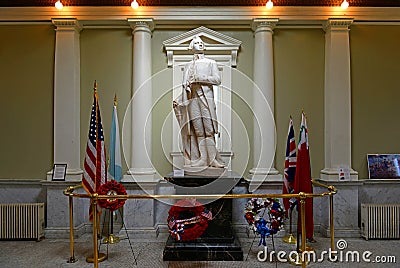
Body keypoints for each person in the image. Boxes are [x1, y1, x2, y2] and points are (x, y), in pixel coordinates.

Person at [173, 36, 225, 168]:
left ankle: (212, 159)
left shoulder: (210, 62)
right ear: (192, 47)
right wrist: (180, 98)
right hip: (193, 100)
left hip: (206, 99)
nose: (200, 44)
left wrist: (200, 78)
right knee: (198, 130)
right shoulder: (188, 65)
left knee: (209, 129)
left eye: (201, 43)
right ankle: (203, 158)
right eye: (196, 43)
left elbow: (217, 80)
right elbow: (184, 86)